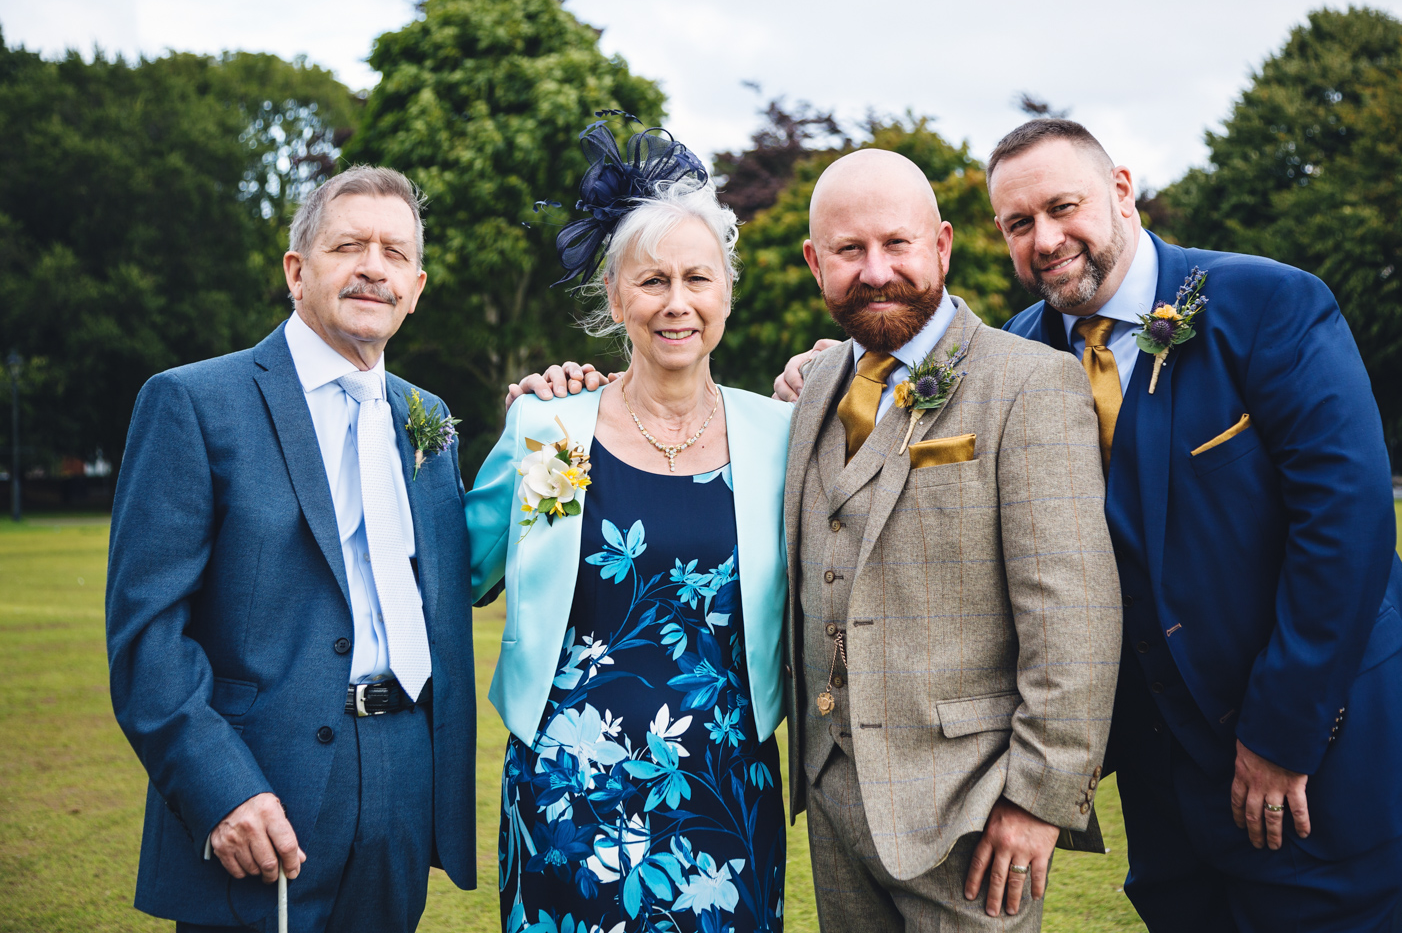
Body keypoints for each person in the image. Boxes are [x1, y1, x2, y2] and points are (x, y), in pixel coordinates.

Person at [778, 120, 1402, 932]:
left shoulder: (1268, 304)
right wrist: (841, 371)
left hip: (1321, 747)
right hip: (1165, 775)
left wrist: (1285, 735)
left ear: (1122, 192)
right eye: (1020, 225)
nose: (1047, 239)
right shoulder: (1021, 355)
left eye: (1064, 207)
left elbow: (1345, 525)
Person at [510, 146, 1122, 932]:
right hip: (831, 810)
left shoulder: (1031, 384)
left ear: (940, 244)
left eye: (895, 244)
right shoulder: (809, 397)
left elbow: (1074, 615)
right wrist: (557, 406)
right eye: (848, 251)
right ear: (814, 262)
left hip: (971, 816)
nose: (874, 271)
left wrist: (1037, 802)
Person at [106, 166, 477, 932]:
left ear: (416, 285)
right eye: (349, 245)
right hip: (262, 785)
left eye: (394, 253)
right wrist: (220, 788)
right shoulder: (194, 403)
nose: (374, 265)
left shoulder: (427, 418)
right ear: (297, 270)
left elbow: (472, 571)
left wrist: (560, 418)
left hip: (406, 775)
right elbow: (147, 636)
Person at [464, 122, 793, 933]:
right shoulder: (555, 437)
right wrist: (524, 426)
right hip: (567, 795)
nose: (676, 303)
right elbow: (465, 571)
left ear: (726, 292)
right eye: (651, 282)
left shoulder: (781, 439)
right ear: (615, 299)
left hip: (723, 793)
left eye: (697, 279)